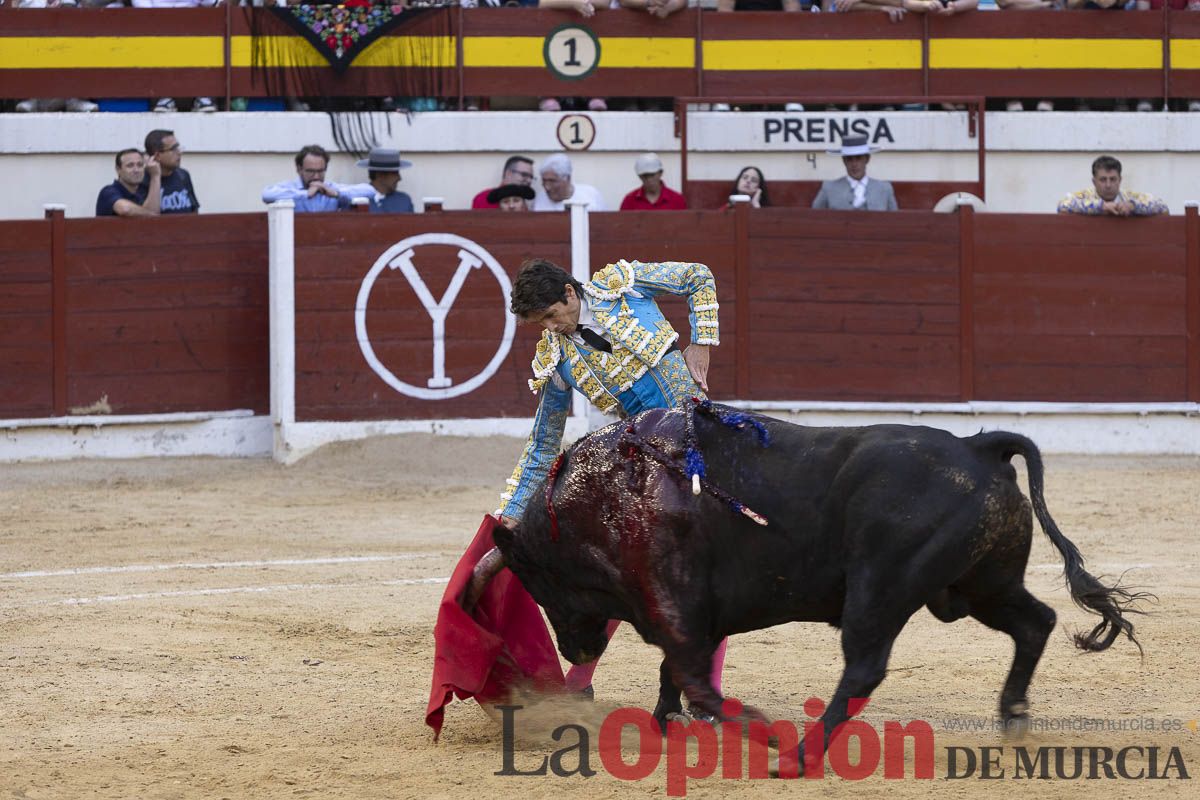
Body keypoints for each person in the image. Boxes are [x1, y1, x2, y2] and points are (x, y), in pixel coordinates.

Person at [493, 257, 725, 700]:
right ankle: (578, 683)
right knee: (619, 568)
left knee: (706, 571)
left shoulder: (624, 287)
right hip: (644, 459)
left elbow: (699, 275)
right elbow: (544, 443)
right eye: (539, 323)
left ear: (568, 293)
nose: (550, 328)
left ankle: (705, 691)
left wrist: (702, 344)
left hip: (699, 440)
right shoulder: (556, 357)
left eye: (550, 316)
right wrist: (511, 512)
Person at [260, 144, 372, 213]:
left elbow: (370, 191)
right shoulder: (291, 188)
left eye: (320, 171)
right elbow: (267, 194)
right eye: (310, 171)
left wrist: (337, 193)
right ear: (299, 169)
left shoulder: (330, 189)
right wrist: (305, 194)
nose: (316, 176)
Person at [1056, 155, 1168, 216]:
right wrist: (1101, 207)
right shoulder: (1085, 196)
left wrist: (1133, 206)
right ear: (1094, 182)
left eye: (1113, 179)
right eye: (1103, 180)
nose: (1108, 185)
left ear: (1120, 180)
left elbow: (1163, 207)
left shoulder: (1129, 197)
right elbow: (1062, 205)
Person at [812, 135, 898, 211]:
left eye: (858, 158)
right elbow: (815, 218)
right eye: (849, 159)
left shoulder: (884, 189)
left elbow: (895, 221)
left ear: (867, 159)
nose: (854, 164)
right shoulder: (829, 188)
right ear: (844, 161)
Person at [142, 129, 200, 214]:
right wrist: (155, 177)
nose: (179, 153)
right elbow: (147, 216)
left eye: (178, 148)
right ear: (157, 155)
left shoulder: (183, 175)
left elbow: (194, 209)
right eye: (174, 149)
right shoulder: (142, 179)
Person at [96, 148, 161, 217]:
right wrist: (151, 213)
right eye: (130, 165)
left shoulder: (144, 191)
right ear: (118, 170)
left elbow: (154, 219)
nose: (136, 170)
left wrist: (155, 176)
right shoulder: (108, 192)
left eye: (140, 165)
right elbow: (125, 209)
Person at [532, 153, 607, 212]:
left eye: (552, 181)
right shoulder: (540, 199)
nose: (547, 187)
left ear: (567, 178)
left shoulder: (591, 195)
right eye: (544, 181)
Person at [619, 152, 688, 211]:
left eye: (652, 175)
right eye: (645, 176)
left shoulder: (677, 200)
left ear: (660, 173)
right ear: (640, 177)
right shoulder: (629, 201)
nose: (649, 180)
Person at [355, 147, 414, 214]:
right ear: (380, 175)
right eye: (395, 173)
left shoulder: (404, 201)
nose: (399, 178)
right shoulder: (358, 201)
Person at [471, 155, 535, 209]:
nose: (529, 180)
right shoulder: (483, 199)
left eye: (531, 177)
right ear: (508, 173)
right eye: (524, 175)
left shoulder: (525, 202)